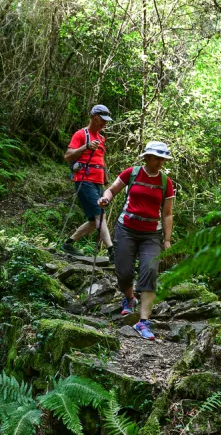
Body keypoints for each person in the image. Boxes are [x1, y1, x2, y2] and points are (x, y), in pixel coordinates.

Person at [98, 141, 175, 340]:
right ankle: (129, 298)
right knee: (124, 271)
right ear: (147, 157)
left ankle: (143, 322)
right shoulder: (132, 173)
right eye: (157, 158)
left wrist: (167, 239)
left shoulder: (166, 182)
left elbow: (167, 214)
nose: (160, 162)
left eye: (163, 159)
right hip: (126, 229)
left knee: (149, 271)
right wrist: (105, 198)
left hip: (152, 234)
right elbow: (111, 190)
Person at [61, 104, 115, 263]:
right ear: (95, 117)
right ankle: (112, 251)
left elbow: (101, 159)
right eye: (102, 120)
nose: (104, 123)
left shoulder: (101, 138)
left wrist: (105, 179)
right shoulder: (81, 134)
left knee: (94, 221)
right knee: (100, 215)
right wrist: (86, 147)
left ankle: (68, 244)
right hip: (84, 180)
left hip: (98, 181)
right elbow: (68, 155)